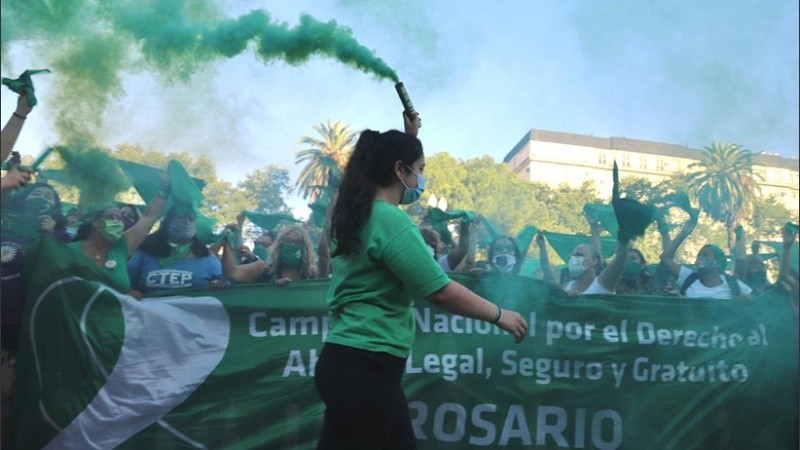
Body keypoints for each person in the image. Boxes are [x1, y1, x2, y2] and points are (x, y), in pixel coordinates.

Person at [314, 112, 528, 449]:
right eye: (421, 169)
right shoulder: (391, 221)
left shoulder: (355, 215)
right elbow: (440, 290)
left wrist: (407, 137)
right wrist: (500, 315)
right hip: (366, 367)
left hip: (355, 364)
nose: (421, 179)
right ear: (400, 170)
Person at [67, 183, 168, 294]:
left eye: (120, 219)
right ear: (96, 222)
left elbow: (149, 217)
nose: (119, 224)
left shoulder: (121, 246)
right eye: (113, 218)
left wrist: (164, 189)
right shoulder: (68, 251)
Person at [127, 207, 226, 296]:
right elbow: (123, 282)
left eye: (191, 219)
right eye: (180, 217)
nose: (186, 222)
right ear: (167, 222)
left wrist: (218, 283)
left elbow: (226, 281)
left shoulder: (206, 256)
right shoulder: (146, 252)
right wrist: (129, 292)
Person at [659, 208, 752, 300]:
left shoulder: (732, 283)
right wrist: (684, 233)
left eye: (705, 255)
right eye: (698, 255)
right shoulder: (689, 278)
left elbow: (753, 302)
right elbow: (666, 258)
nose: (699, 258)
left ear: (718, 262)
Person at [220, 224, 318, 286]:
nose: (292, 245)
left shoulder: (313, 273)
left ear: (305, 247)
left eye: (297, 242)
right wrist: (227, 243)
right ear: (279, 244)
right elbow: (231, 273)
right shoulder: (262, 268)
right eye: (288, 241)